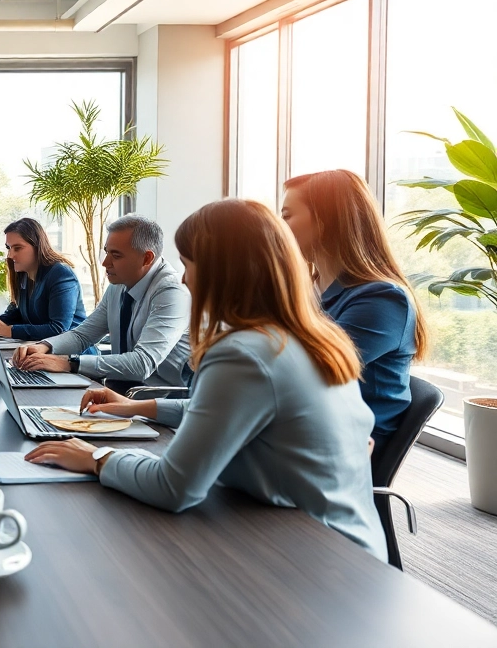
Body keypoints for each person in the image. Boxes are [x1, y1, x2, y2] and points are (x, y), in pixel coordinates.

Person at [24, 199, 387, 561]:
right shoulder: (307, 336)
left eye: (187, 265)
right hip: (343, 545)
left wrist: (96, 458)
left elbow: (173, 486)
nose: (183, 278)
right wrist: (138, 407)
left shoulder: (244, 352)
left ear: (220, 270)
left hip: (311, 555)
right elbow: (227, 408)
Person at [281, 169, 427, 454]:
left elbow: (297, 376)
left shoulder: (382, 300)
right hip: (296, 432)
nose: (278, 227)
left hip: (341, 452)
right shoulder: (309, 290)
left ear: (324, 222)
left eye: (287, 216)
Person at [12, 215, 190, 390]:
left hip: (158, 400)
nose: (105, 263)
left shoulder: (172, 291)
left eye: (116, 255)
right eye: (106, 252)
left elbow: (142, 363)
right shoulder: (119, 284)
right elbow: (83, 335)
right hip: (119, 395)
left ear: (147, 259)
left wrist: (68, 363)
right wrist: (44, 346)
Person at [0, 218, 88, 342]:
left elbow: (59, 328)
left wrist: (9, 331)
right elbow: (20, 313)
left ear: (37, 246)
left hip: (73, 354)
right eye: (9, 248)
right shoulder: (24, 274)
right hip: (42, 349)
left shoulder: (61, 274)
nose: (10, 255)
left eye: (17, 248)